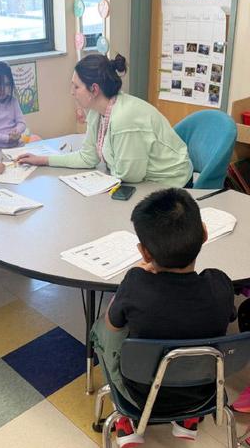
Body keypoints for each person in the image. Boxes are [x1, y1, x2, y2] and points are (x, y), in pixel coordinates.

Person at [93, 188, 234, 446]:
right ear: (204, 234)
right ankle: (187, 420)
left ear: (144, 253)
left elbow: (112, 325)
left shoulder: (135, 286)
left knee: (101, 329)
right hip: (204, 393)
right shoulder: (220, 284)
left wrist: (133, 277)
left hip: (139, 394)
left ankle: (128, 421)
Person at [16, 54, 192, 187]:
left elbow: (130, 176)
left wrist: (100, 179)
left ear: (94, 89)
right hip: (145, 183)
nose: (72, 92)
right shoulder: (96, 112)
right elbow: (87, 157)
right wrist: (44, 160)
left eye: (76, 86)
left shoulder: (124, 118)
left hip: (171, 183)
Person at [0, 61, 38, 150]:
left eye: (6, 84)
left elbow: (22, 123)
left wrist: (17, 132)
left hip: (17, 146)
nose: (2, 89)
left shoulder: (13, 101)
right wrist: (7, 139)